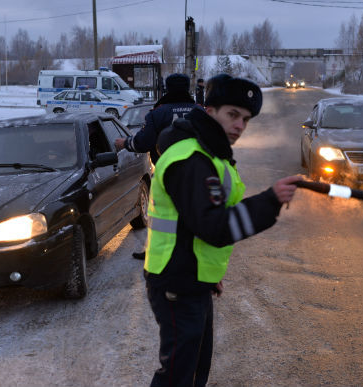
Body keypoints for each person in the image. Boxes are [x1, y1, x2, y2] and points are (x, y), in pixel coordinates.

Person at [144, 74, 302, 387]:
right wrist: (269, 201)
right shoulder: (191, 159)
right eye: (233, 114)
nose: (240, 125)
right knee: (177, 375)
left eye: (245, 119)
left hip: (193, 279)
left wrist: (209, 276)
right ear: (209, 110)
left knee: (194, 371)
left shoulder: (211, 154)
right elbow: (213, 227)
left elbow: (194, 225)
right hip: (177, 283)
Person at [114, 73, 197, 259]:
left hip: (166, 176)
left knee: (162, 217)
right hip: (196, 174)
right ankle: (191, 251)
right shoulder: (200, 111)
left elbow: (143, 143)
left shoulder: (158, 113)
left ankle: (157, 251)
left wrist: (125, 143)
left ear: (167, 89)